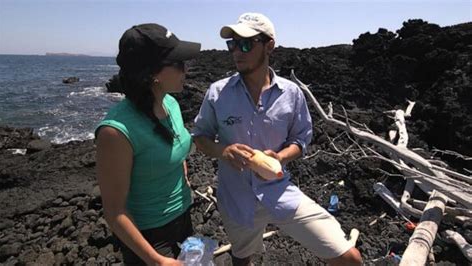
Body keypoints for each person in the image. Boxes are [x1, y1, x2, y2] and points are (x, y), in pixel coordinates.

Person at [192, 13, 362, 266]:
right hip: (236, 198)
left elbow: (301, 139)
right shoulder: (218, 92)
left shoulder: (291, 94)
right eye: (233, 44)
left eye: (246, 44)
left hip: (280, 192)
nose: (237, 51)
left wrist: (280, 157)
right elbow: (200, 137)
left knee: (350, 258)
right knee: (241, 258)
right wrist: (223, 151)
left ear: (269, 45)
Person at [95, 23, 200, 266]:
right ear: (153, 73)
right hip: (149, 238)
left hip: (184, 216)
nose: (187, 70)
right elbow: (114, 212)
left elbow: (176, 147)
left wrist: (182, 175)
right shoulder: (115, 132)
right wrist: (157, 261)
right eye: (178, 63)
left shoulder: (171, 104)